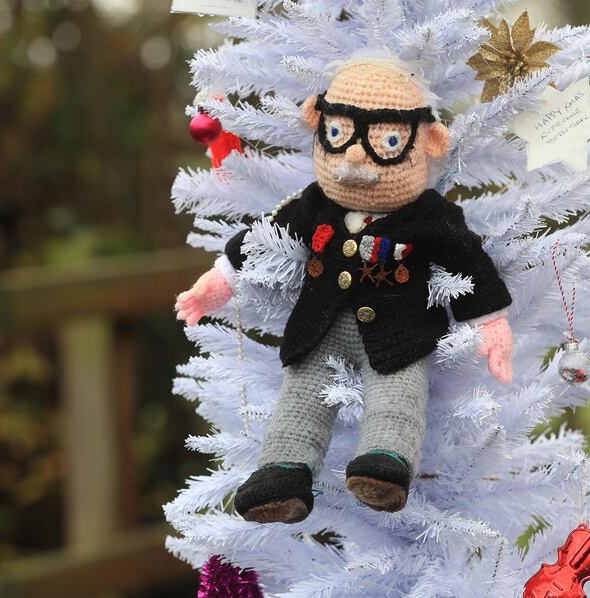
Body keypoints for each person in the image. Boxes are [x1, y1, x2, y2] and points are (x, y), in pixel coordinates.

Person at [176, 55, 514, 524]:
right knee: (301, 397)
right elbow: (264, 236)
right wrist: (221, 281)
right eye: (339, 134)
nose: (355, 155)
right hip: (320, 329)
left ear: (428, 142)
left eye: (388, 141)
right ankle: (282, 475)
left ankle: (385, 466)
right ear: (319, 121)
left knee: (399, 396)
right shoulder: (313, 205)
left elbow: (468, 260)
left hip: (400, 337)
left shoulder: (430, 216)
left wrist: (491, 322)